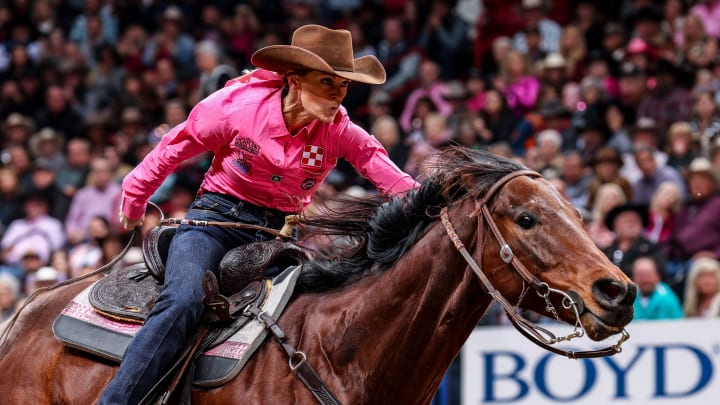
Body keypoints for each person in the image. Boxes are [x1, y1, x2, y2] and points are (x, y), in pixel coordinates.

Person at [98, 24, 418, 404]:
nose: (337, 94)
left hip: (278, 239)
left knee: (315, 316)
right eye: (327, 82)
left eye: (344, 85)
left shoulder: (339, 129)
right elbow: (175, 146)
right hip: (213, 223)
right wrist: (135, 198)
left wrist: (428, 202)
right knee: (183, 300)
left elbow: (379, 166)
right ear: (295, 81)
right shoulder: (238, 109)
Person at [631, 255, 684, 321]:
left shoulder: (667, 299)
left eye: (648, 275)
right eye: (640, 275)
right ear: (633, 278)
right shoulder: (630, 300)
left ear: (657, 276)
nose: (645, 280)